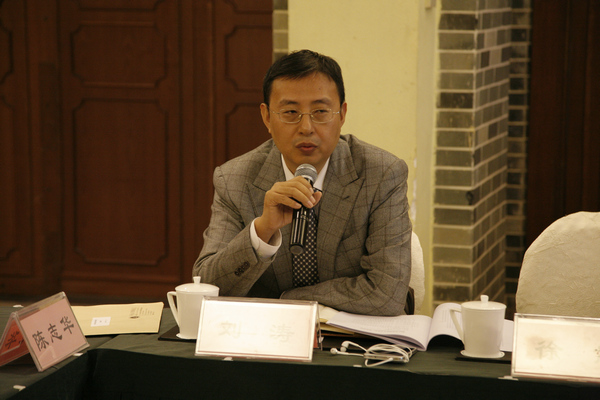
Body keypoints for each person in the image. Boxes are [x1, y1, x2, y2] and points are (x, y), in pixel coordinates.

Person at [193, 50, 413, 316]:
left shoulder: (382, 174)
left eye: (320, 111)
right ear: (267, 117)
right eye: (290, 112)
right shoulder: (234, 179)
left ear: (342, 114)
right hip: (269, 333)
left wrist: (291, 300)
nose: (306, 127)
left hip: (352, 334)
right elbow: (207, 288)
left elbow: (387, 294)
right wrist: (262, 231)